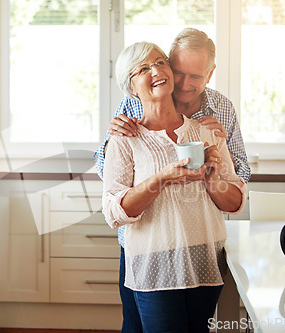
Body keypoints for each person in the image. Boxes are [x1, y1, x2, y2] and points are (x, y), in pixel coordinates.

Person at [95, 28, 251, 332]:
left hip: (200, 247)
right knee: (137, 326)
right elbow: (110, 179)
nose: (183, 83)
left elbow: (238, 179)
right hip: (147, 248)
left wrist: (215, 166)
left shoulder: (218, 115)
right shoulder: (129, 115)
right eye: (178, 71)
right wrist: (159, 173)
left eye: (195, 76)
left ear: (210, 73)